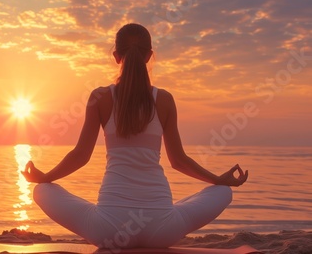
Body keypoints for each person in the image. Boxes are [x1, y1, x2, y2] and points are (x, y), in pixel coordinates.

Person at [22, 23, 248, 249]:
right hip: (162, 229)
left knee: (42, 191)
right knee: (222, 192)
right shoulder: (165, 100)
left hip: (108, 231)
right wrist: (218, 180)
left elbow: (81, 156)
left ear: (116, 56)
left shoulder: (100, 98)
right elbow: (179, 161)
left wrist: (45, 177)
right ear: (150, 56)